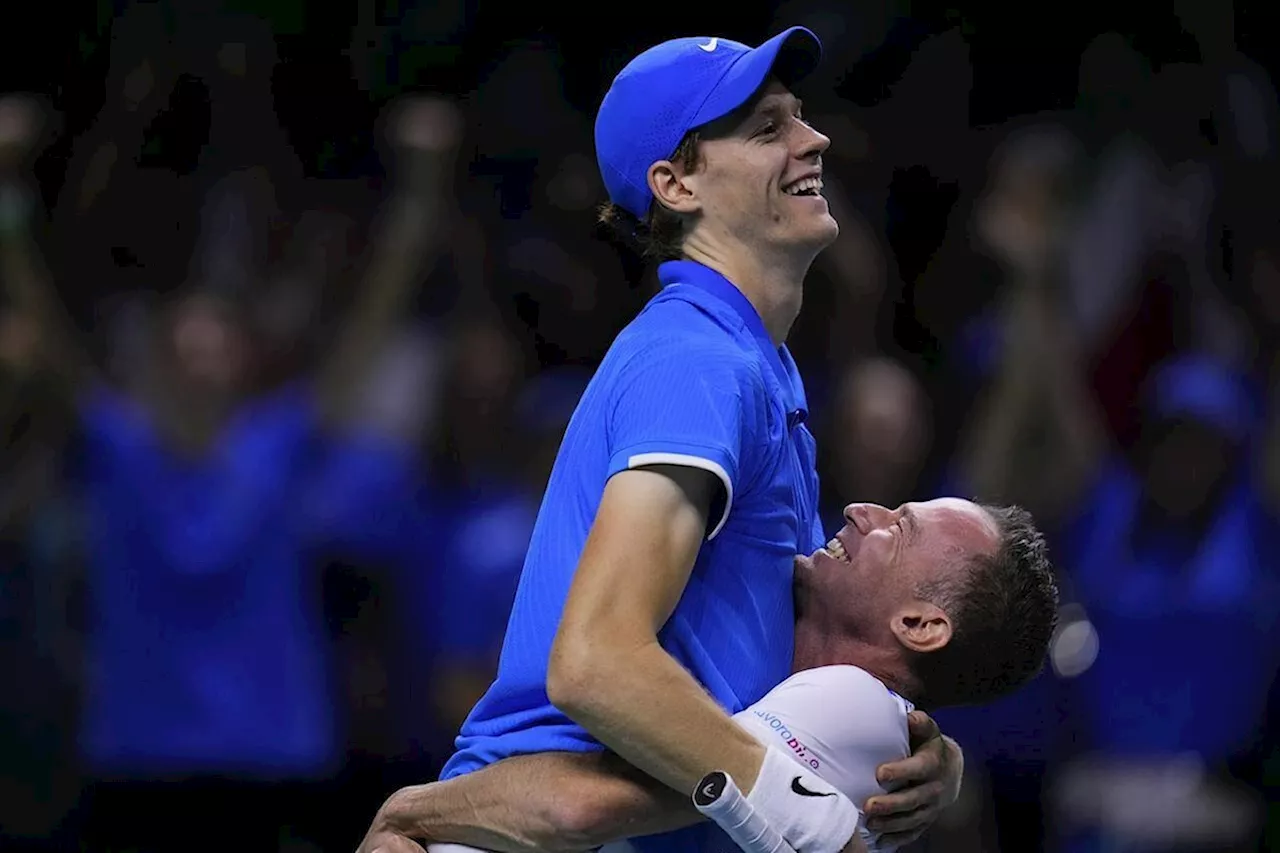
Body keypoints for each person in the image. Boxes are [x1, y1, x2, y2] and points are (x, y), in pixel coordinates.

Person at [361, 27, 965, 853]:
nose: (812, 138)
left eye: (801, 116)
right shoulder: (700, 362)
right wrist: (806, 803)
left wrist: (907, 746)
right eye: (767, 128)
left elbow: (766, 688)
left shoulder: (752, 365)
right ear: (675, 184)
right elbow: (596, 663)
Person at [360, 498, 1059, 853]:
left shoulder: (851, 706)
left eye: (897, 528)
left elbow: (583, 807)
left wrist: (411, 809)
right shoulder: (860, 723)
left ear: (920, 625)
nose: (860, 511)